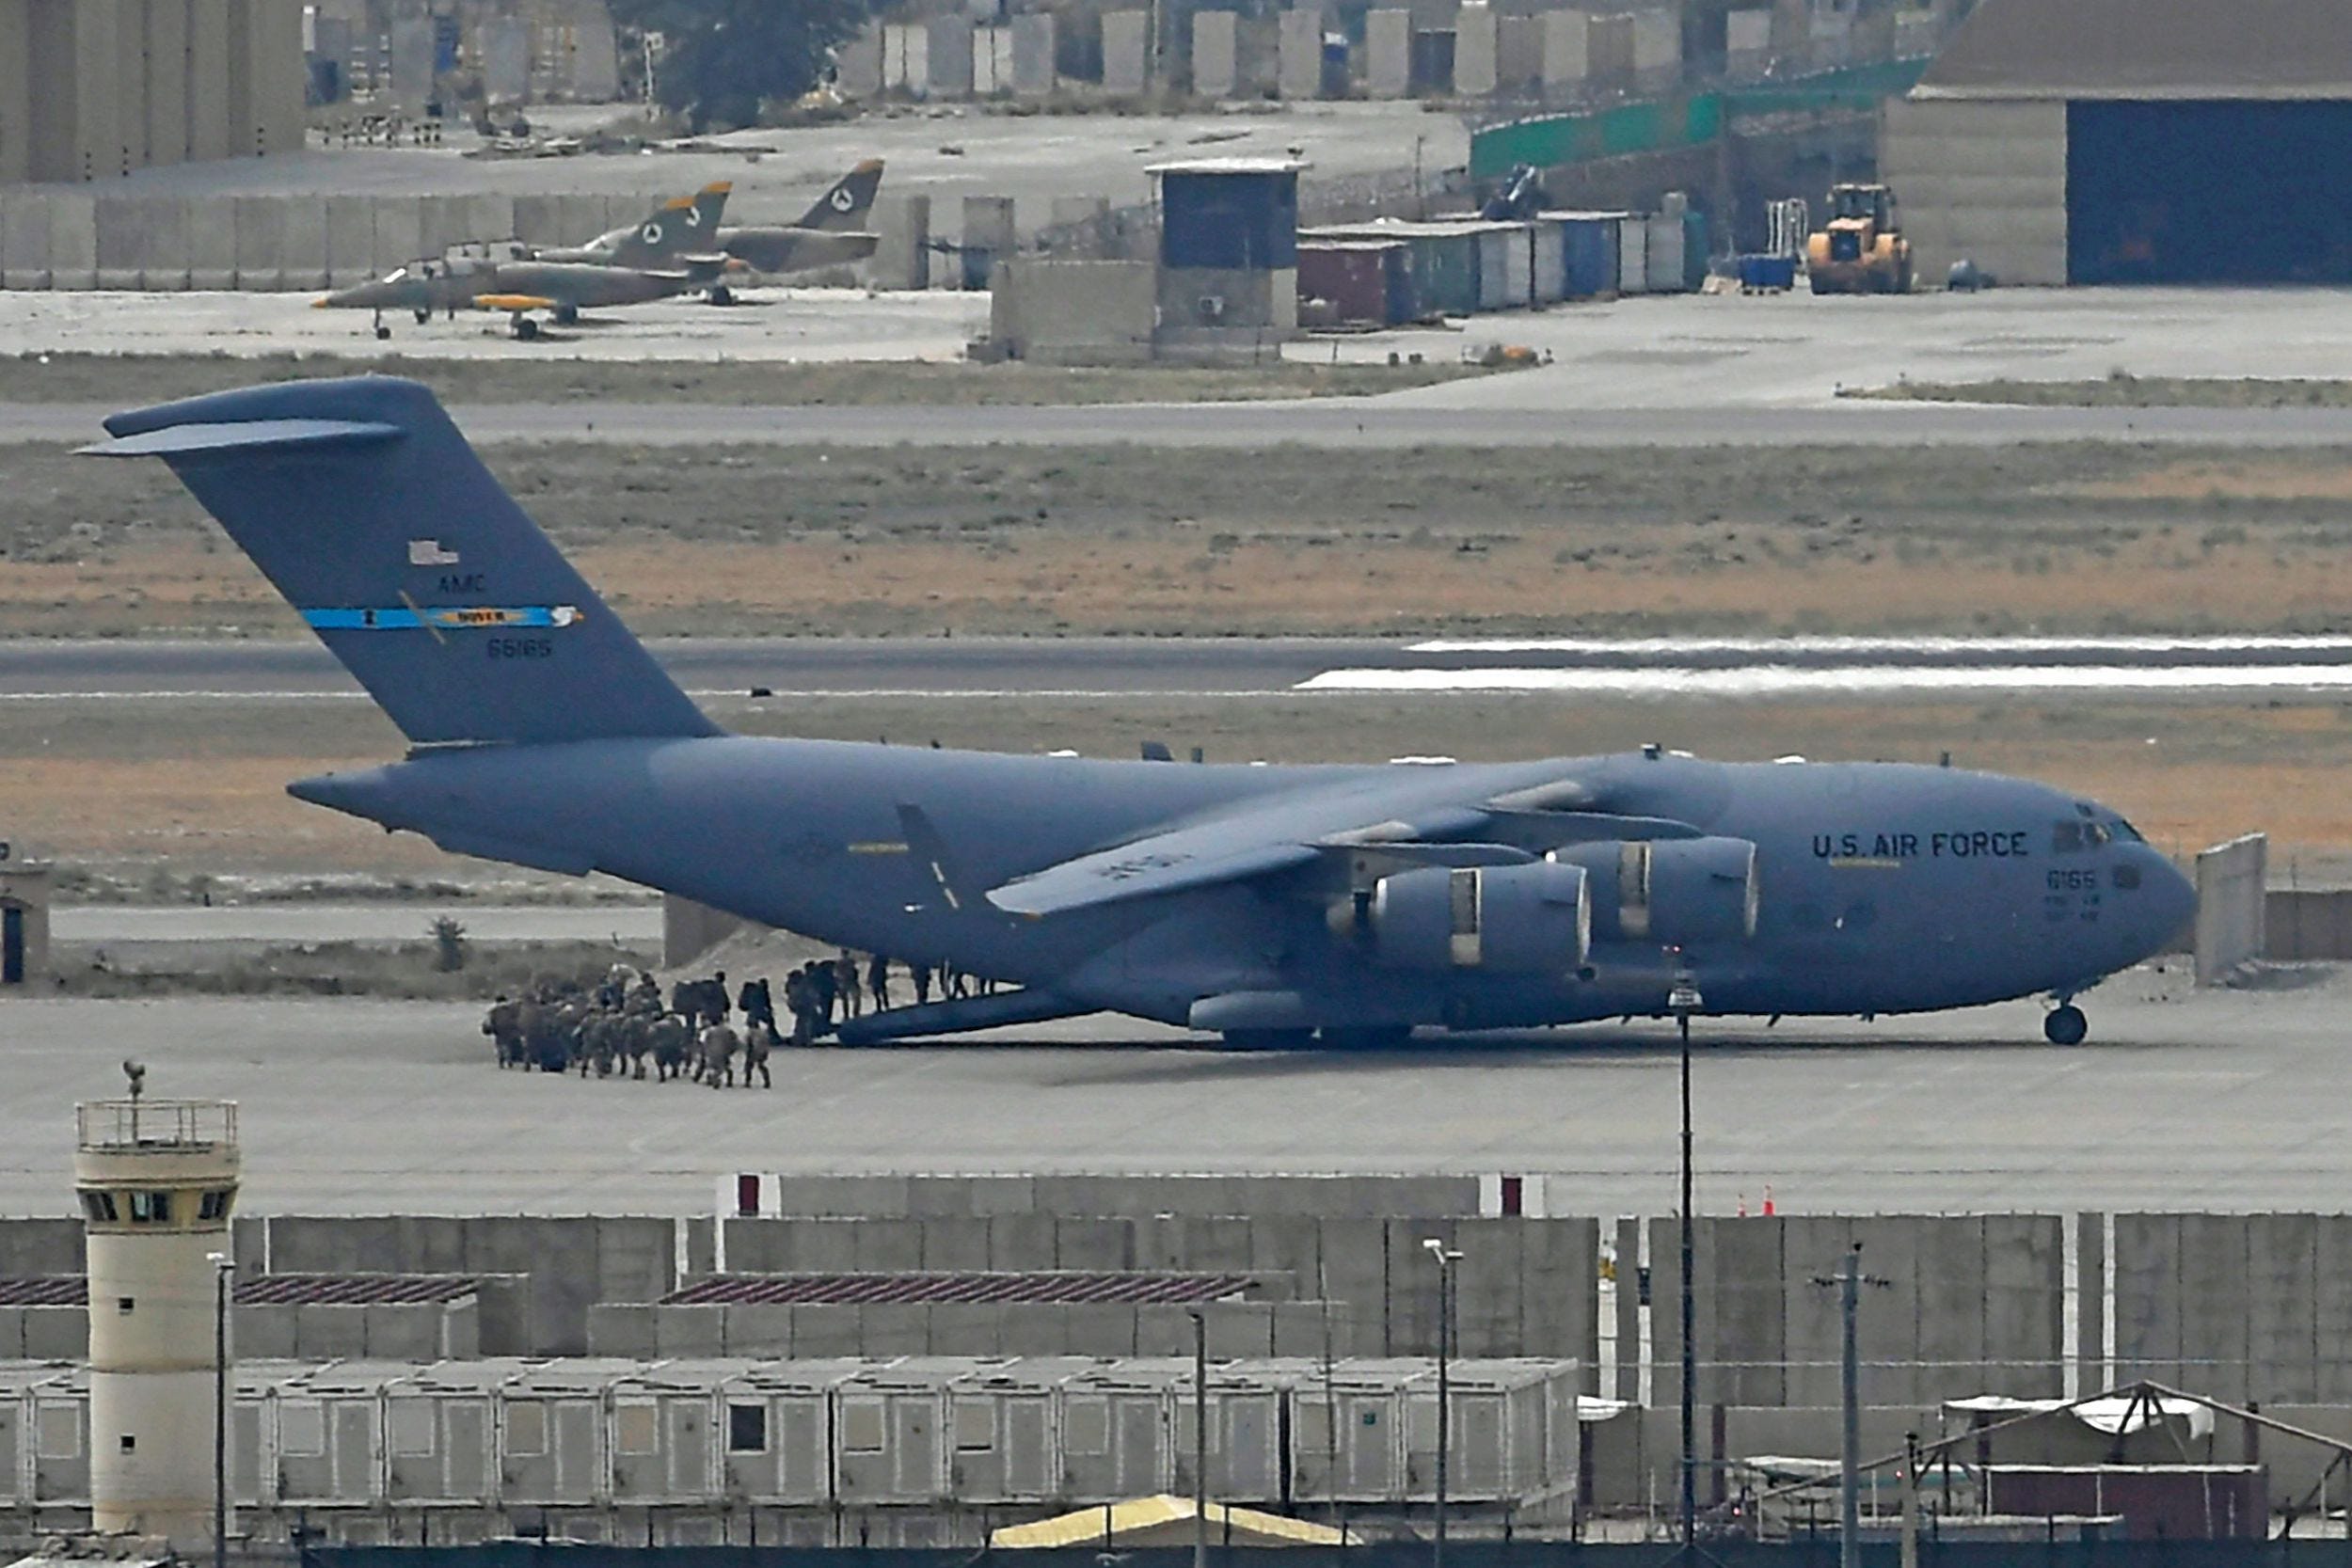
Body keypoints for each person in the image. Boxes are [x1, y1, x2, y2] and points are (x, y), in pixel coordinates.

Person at [836, 950, 862, 1019]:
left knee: (846, 999)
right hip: (850, 981)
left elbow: (837, 973)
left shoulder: (839, 963)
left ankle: (847, 1014)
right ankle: (855, 1013)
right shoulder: (850, 962)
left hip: (844, 982)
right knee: (855, 998)